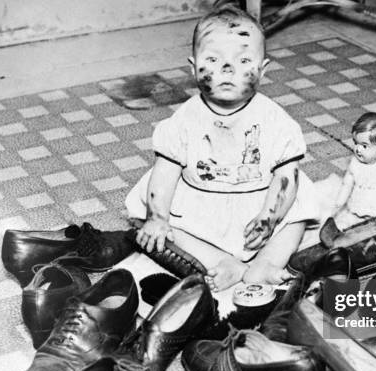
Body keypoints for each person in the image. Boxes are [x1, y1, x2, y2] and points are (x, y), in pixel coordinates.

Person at [125, 6, 320, 292]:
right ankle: (223, 262)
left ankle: (267, 262)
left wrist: (270, 218)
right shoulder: (183, 120)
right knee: (154, 220)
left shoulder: (276, 119)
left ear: (262, 70)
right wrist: (158, 218)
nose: (228, 69)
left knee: (299, 208)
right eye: (213, 59)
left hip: (259, 203)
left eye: (243, 60)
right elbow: (165, 171)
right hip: (201, 205)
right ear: (193, 67)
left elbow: (285, 177)